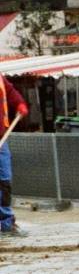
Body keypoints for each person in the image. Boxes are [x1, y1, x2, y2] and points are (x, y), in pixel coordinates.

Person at [0, 76, 30, 239]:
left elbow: (10, 92)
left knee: (4, 181)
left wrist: (19, 103)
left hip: (1, 138)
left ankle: (6, 222)